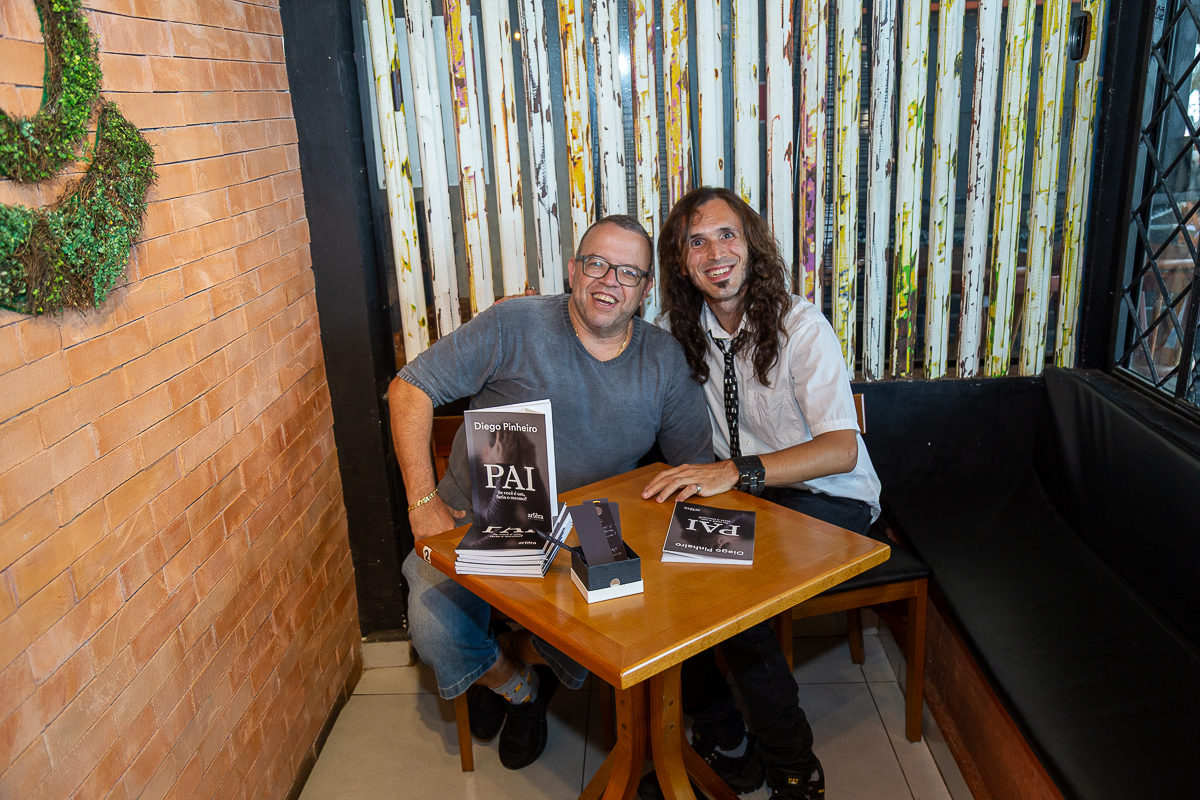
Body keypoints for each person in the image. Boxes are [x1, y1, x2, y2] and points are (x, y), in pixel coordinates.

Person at [389, 214, 713, 771]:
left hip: (585, 525)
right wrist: (423, 503)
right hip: (481, 511)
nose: (609, 280)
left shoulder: (664, 360)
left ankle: (512, 660)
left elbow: (694, 470)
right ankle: (517, 689)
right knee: (431, 622)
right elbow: (410, 388)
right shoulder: (514, 323)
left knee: (617, 625)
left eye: (629, 273)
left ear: (645, 289)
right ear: (573, 269)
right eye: (597, 263)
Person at [639, 187, 883, 800]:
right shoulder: (675, 331)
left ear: (751, 246)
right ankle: (727, 743)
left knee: (730, 596)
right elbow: (610, 345)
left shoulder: (800, 326)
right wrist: (552, 310)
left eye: (727, 235)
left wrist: (734, 471)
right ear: (681, 262)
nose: (715, 252)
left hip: (835, 500)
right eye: (697, 241)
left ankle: (794, 769)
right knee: (671, 587)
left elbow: (841, 449)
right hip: (752, 500)